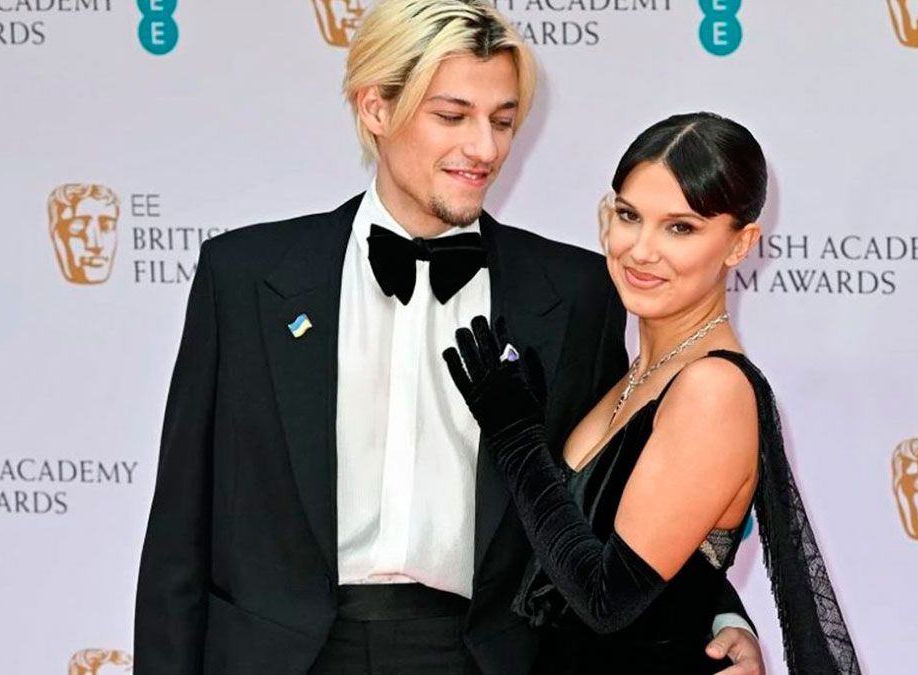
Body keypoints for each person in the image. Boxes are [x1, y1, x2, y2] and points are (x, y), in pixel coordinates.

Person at [133, 1, 763, 673]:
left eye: (502, 121)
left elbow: (613, 501)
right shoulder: (245, 278)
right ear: (376, 108)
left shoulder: (577, 294)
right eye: (452, 116)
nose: (484, 149)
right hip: (277, 656)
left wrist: (718, 612)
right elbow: (179, 529)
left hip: (486, 658)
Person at [443, 112, 862, 674]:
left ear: (741, 244)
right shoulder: (638, 375)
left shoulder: (713, 390)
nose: (641, 250)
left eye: (680, 228)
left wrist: (517, 438)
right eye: (629, 216)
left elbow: (606, 601)